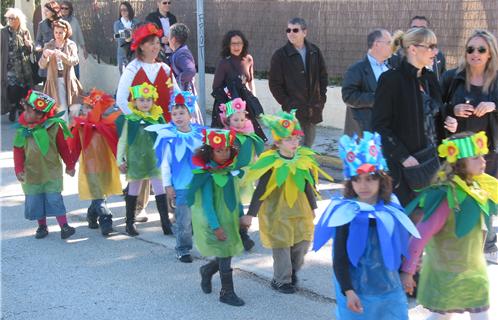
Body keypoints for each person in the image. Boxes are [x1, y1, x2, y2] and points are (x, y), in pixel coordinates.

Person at [313, 132, 420, 320]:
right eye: (357, 179)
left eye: (370, 178)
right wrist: (348, 290)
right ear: (350, 182)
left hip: (389, 290)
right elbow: (339, 257)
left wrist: (408, 273)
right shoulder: (346, 214)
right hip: (358, 292)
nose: (363, 185)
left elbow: (403, 245)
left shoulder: (391, 208)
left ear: (381, 179)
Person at [401, 131, 497, 320]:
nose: (483, 161)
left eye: (483, 156)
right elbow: (422, 233)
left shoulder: (479, 188)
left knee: (480, 314)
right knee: (442, 316)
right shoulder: (447, 196)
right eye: (476, 157)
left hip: (473, 270)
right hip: (446, 272)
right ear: (459, 163)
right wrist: (408, 271)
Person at [240, 110, 332, 294]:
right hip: (277, 211)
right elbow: (261, 190)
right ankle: (281, 280)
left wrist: (313, 207)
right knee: (281, 245)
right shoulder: (271, 163)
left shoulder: (303, 160)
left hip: (300, 209)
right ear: (278, 142)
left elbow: (307, 185)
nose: (294, 143)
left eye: (296, 139)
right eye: (289, 139)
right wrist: (251, 214)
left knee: (302, 242)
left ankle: (292, 269)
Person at [372, 27, 458, 206]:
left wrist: (447, 121)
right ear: (412, 49)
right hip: (408, 166)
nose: (436, 51)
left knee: (431, 221)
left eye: (436, 46)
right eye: (430, 46)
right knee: (410, 220)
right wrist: (403, 157)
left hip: (434, 161)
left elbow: (434, 116)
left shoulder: (430, 78)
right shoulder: (390, 80)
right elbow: (380, 125)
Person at [440, 29, 498, 264]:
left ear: (490, 54)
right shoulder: (452, 77)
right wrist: (451, 112)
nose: (475, 54)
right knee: (457, 197)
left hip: (488, 152)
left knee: (486, 197)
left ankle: (486, 243)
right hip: (459, 152)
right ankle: (455, 241)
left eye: (481, 49)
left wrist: (494, 105)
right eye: (470, 49)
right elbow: (435, 106)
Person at [115, 22, 179, 222]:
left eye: (157, 43)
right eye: (151, 43)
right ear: (141, 45)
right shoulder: (133, 68)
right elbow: (121, 99)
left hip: (164, 126)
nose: (155, 46)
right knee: (141, 168)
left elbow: (176, 95)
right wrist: (137, 121)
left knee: (165, 168)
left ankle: (172, 209)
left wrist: (179, 116)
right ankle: (138, 208)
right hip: (142, 129)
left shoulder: (165, 68)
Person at [189, 129, 245, 306]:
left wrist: (241, 215)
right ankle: (226, 292)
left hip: (231, 220)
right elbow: (207, 204)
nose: (224, 153)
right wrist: (216, 227)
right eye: (219, 150)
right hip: (217, 223)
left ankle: (207, 270)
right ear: (210, 152)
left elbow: (235, 196)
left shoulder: (230, 172)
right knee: (225, 255)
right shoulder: (208, 175)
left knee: (225, 254)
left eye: (226, 149)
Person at [146, 91, 204, 262]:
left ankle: (205, 244)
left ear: (190, 113)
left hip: (199, 183)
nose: (178, 117)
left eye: (182, 113)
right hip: (180, 185)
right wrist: (168, 185)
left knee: (201, 216)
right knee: (183, 220)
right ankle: (183, 248)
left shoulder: (201, 134)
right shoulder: (168, 136)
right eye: (174, 113)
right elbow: (165, 163)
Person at [13, 90, 76, 240]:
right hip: (32, 172)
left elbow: (63, 147)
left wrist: (70, 164)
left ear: (41, 115)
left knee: (54, 198)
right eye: (25, 110)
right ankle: (42, 226)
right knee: (36, 200)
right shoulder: (23, 129)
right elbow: (18, 150)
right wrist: (19, 169)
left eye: (29, 112)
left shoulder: (53, 127)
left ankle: (64, 226)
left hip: (51, 171)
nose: (25, 114)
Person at [116, 82, 172, 237]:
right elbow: (123, 140)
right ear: (134, 102)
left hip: (155, 161)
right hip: (136, 161)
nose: (145, 103)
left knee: (160, 190)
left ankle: (165, 223)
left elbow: (166, 140)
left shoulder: (158, 118)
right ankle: (130, 222)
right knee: (134, 189)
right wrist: (120, 160)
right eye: (141, 100)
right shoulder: (131, 119)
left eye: (148, 100)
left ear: (153, 101)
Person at [69, 89, 122, 236]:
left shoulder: (108, 126)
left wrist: (123, 161)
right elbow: (75, 146)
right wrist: (71, 165)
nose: (86, 110)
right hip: (90, 168)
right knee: (99, 197)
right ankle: (106, 221)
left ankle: (92, 215)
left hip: (106, 167)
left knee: (100, 196)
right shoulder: (80, 127)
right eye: (86, 107)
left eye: (91, 107)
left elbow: (116, 144)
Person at [268, 17, 328, 147]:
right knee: (293, 148)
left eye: (295, 30)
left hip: (313, 110)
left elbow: (323, 77)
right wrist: (288, 103)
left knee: (308, 147)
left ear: (304, 32)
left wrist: (321, 99)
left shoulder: (314, 51)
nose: (291, 33)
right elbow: (274, 84)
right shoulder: (280, 55)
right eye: (288, 30)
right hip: (293, 113)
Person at [219, 97, 264, 251]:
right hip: (230, 176)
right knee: (234, 204)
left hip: (245, 176)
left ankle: (238, 232)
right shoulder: (226, 137)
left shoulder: (250, 136)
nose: (239, 122)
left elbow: (257, 155)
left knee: (238, 203)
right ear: (228, 120)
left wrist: (258, 172)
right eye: (235, 119)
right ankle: (241, 234)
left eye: (242, 119)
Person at [212, 30, 265, 140]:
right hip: (228, 104)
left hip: (245, 104)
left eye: (239, 43)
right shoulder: (224, 62)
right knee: (230, 140)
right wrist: (229, 109)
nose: (236, 47)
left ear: (244, 44)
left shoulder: (249, 59)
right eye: (233, 43)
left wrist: (253, 99)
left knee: (250, 138)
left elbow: (250, 81)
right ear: (228, 45)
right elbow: (216, 88)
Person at [342, 29, 392, 136]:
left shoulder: (391, 68)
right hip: (366, 132)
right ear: (377, 44)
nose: (392, 46)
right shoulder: (356, 69)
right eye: (389, 43)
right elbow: (348, 96)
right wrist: (377, 98)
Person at [38, 19, 82, 123]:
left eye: (61, 32)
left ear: (66, 32)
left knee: (75, 107)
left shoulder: (71, 45)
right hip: (55, 82)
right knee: (61, 110)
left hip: (69, 81)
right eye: (56, 32)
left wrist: (63, 56)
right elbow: (41, 65)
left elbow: (75, 61)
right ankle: (65, 135)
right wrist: (44, 56)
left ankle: (72, 131)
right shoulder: (49, 45)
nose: (58, 35)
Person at [1, 8, 33, 122]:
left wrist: (29, 45)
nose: (10, 20)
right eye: (9, 18)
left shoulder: (24, 31)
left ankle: (20, 108)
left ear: (19, 19)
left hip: (23, 67)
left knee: (22, 89)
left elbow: (30, 51)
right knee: (11, 89)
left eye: (13, 18)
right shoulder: (3, 32)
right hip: (9, 66)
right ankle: (13, 106)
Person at [169, 23, 204, 124]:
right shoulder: (180, 52)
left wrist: (177, 81)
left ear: (174, 39)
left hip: (185, 98)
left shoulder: (181, 54)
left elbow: (190, 70)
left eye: (169, 36)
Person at [35, 1, 61, 83]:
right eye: (44, 10)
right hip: (47, 56)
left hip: (60, 55)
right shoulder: (42, 24)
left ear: (53, 11)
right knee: (47, 83)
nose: (44, 12)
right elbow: (38, 40)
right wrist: (38, 47)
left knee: (60, 81)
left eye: (47, 10)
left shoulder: (62, 23)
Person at [59, 1, 87, 80]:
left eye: (66, 8)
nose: (64, 10)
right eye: (62, 8)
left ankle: (76, 91)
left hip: (73, 51)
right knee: (64, 77)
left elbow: (79, 34)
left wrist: (84, 48)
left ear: (70, 10)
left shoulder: (74, 21)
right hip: (62, 52)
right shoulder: (58, 22)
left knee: (75, 74)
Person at [113, 1, 139, 74]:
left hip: (135, 54)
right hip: (123, 55)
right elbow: (120, 41)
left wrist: (132, 35)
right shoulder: (117, 24)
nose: (123, 12)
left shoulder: (136, 22)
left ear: (129, 10)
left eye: (125, 10)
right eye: (121, 10)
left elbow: (140, 38)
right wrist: (130, 37)